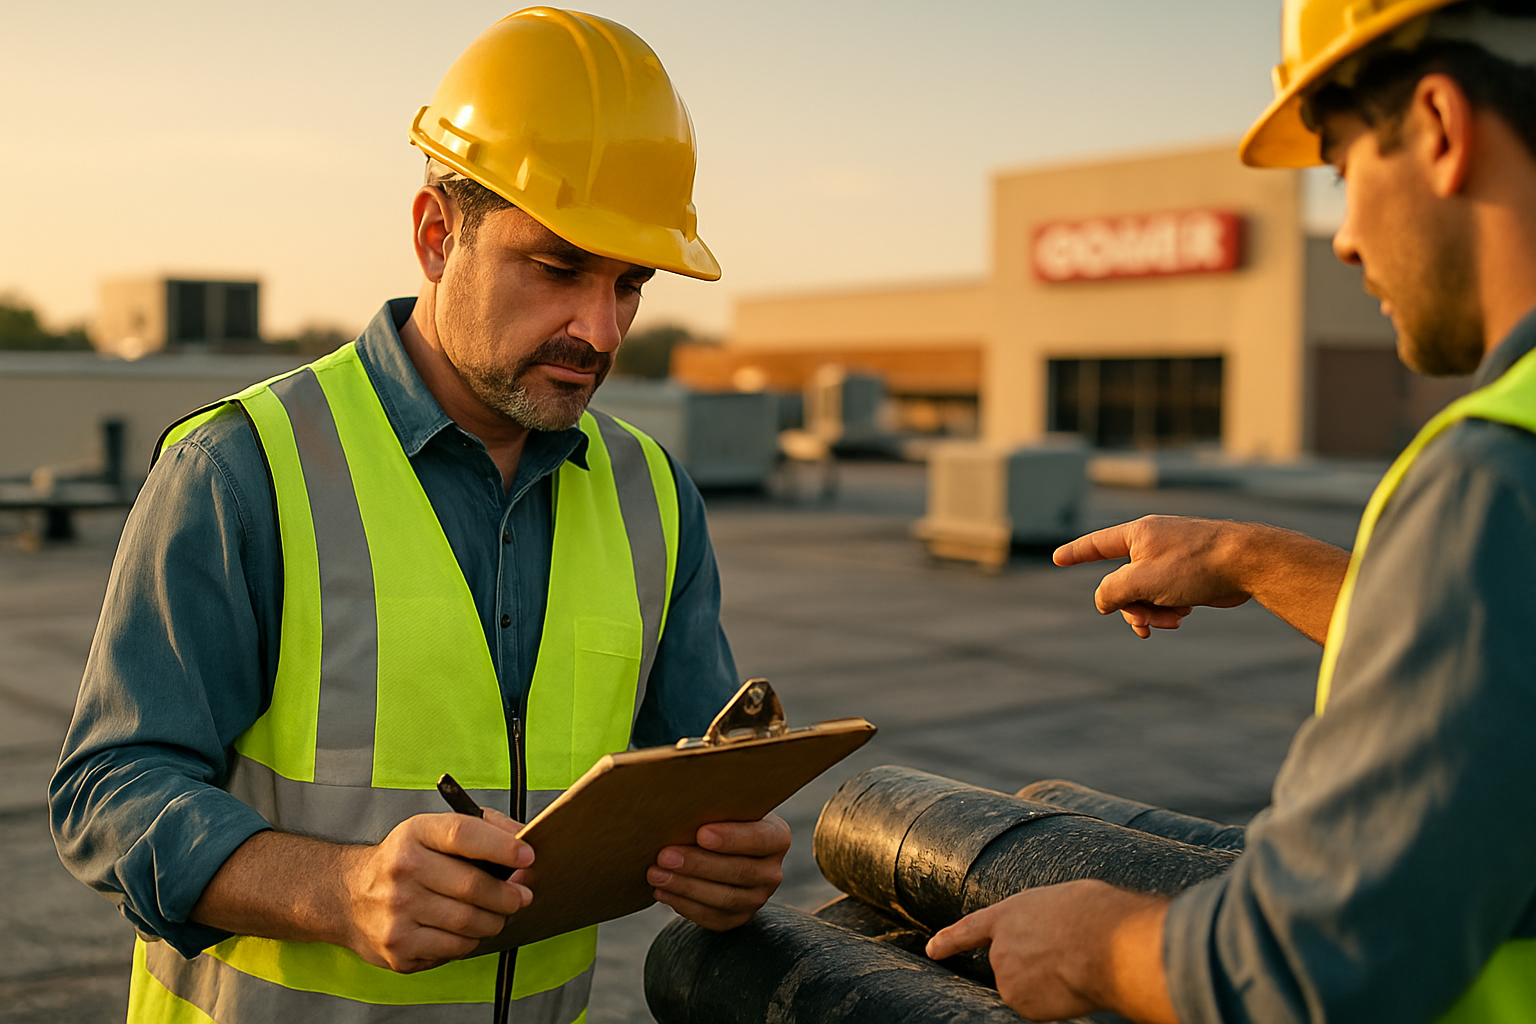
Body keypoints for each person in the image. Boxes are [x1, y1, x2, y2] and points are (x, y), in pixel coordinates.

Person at [50, 9, 790, 1023]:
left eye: (630, 284)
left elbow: (693, 783)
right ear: (437, 234)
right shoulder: (242, 468)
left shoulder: (653, 495)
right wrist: (338, 891)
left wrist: (728, 862)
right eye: (561, 266)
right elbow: (108, 791)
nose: (601, 328)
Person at [926, 1, 1536, 1021]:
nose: (1340, 238)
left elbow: (1323, 962)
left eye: (1341, 170)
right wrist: (1253, 557)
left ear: (1437, 126)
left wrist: (1090, 945)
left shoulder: (1496, 474)